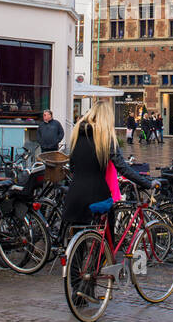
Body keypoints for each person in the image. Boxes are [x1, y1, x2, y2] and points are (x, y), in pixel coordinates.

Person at [61, 99, 150, 247]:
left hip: (75, 194)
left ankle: (75, 268)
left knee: (77, 243)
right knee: (108, 232)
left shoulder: (77, 134)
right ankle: (105, 261)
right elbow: (123, 169)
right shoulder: (105, 138)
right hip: (97, 194)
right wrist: (147, 183)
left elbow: (72, 166)